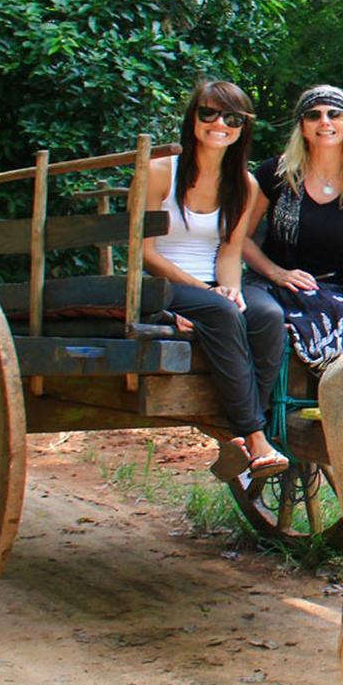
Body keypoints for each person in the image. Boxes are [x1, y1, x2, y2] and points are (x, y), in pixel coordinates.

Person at [143, 81, 288, 479]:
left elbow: (229, 252)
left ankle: (238, 438)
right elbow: (147, 253)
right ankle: (253, 437)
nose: (218, 123)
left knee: (266, 316)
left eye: (231, 118)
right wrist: (207, 291)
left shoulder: (244, 185)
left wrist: (233, 290)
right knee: (222, 312)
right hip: (164, 283)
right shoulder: (159, 173)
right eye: (208, 113)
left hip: (213, 284)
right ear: (192, 119)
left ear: (243, 127)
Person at [244, 85, 343, 372]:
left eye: (334, 114)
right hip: (275, 284)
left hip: (332, 286)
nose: (325, 122)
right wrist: (276, 273)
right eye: (313, 115)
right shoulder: (275, 174)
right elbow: (240, 238)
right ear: (302, 127)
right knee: (333, 320)